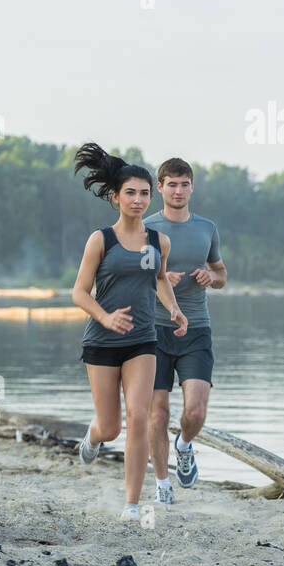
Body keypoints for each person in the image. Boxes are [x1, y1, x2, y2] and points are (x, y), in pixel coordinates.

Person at [71, 143, 188, 522]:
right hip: (102, 343)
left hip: (142, 340)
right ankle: (92, 438)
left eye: (143, 193)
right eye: (130, 193)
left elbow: (157, 280)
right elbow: (78, 292)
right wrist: (104, 318)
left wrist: (173, 308)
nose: (138, 200)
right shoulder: (100, 240)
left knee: (140, 416)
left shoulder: (159, 242)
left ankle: (132, 505)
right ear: (115, 197)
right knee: (110, 426)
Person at [144, 157, 226, 503]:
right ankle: (163, 484)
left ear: (192, 187)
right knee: (157, 413)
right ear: (160, 188)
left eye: (185, 184)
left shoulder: (207, 228)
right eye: (171, 184)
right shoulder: (145, 227)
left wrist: (212, 277)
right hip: (153, 331)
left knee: (195, 412)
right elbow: (127, 278)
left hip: (196, 329)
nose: (178, 190)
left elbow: (221, 274)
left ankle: (185, 445)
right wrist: (160, 278)